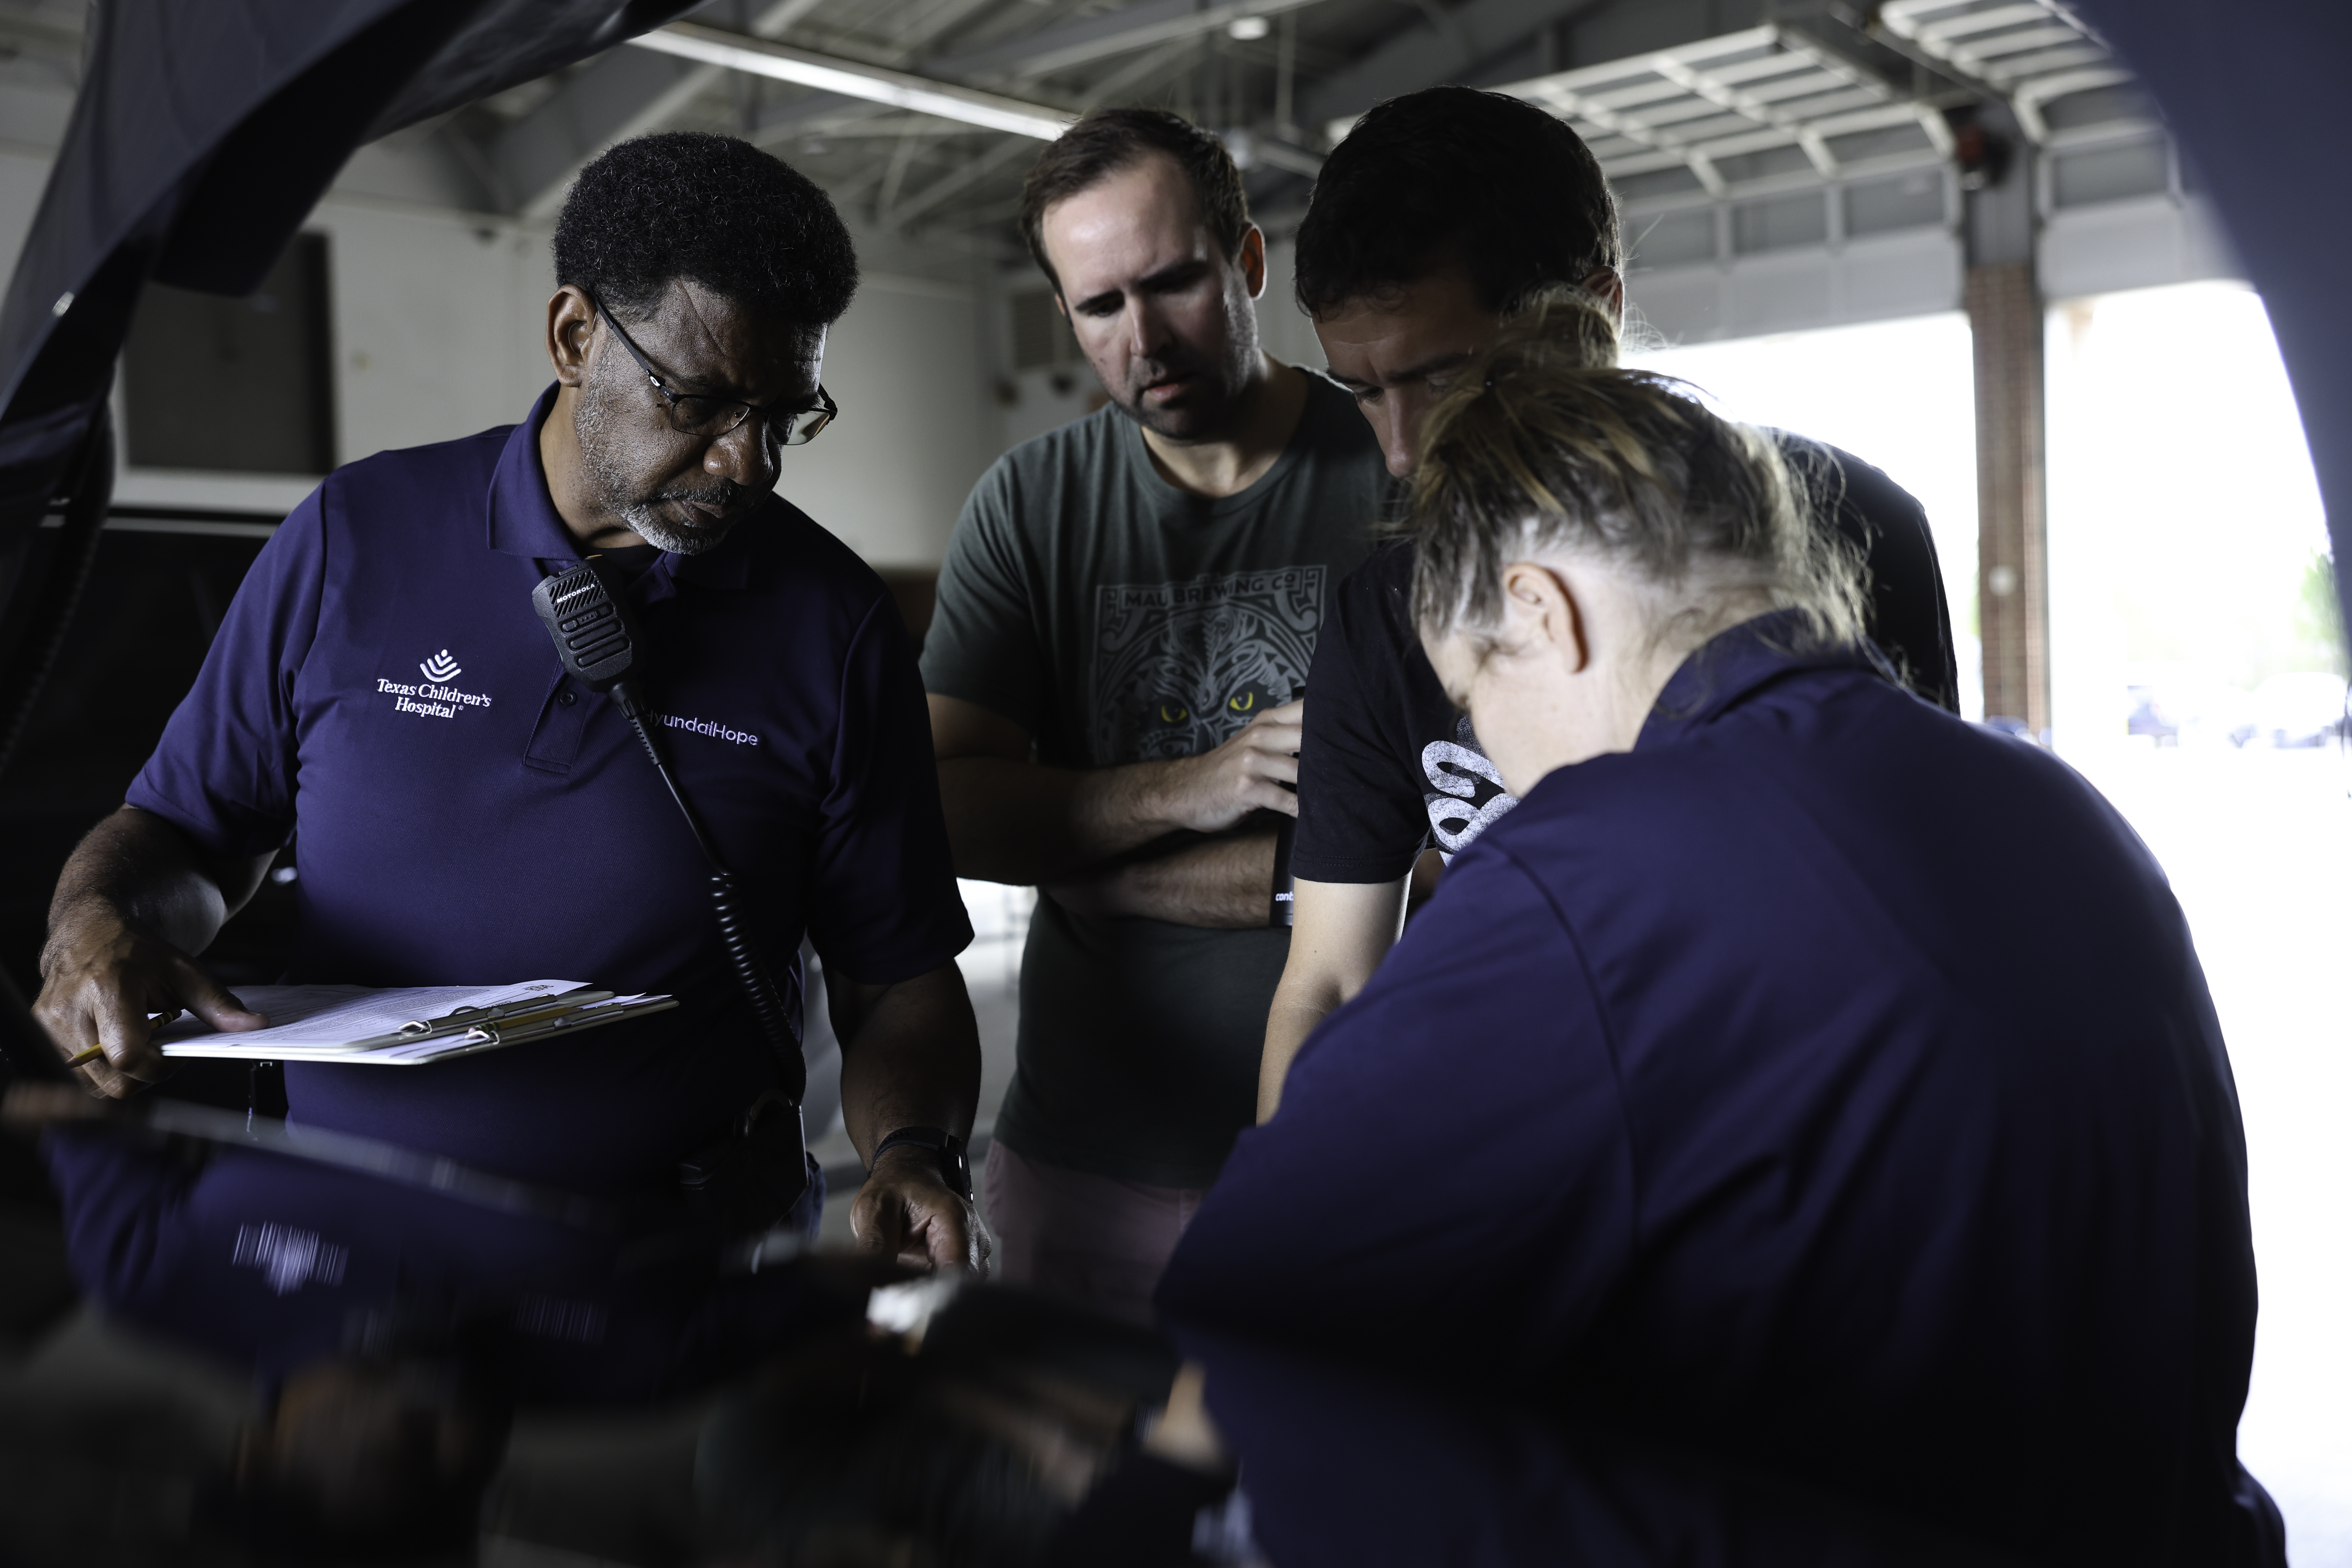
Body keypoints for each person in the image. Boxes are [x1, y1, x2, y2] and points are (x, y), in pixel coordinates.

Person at [1157, 308, 2282, 1565]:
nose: (1497, 752)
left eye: (1475, 694)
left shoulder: (1586, 877)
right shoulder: (2061, 807)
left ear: (1542, 612)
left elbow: (1255, 1320)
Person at [31, 133, 985, 1269]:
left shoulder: (833, 622)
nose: (751, 465)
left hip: (683, 1270)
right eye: (705, 401)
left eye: (786, 415)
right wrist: (101, 925)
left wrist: (911, 1152)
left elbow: (902, 983)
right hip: (347, 1255)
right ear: (576, 335)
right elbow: (185, 835)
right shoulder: (354, 537)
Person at [1257, 86, 1959, 1116]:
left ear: (1596, 309)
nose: (1403, 450)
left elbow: (1917, 907)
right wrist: (1282, 1232)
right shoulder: (1382, 608)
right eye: (1362, 391)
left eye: (1445, 376)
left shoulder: (1849, 524)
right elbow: (1326, 986)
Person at [921, 109, 1388, 1321]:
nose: (1144, 338)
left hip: (1372, 1150)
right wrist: (1195, 787)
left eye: (1174, 282)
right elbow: (948, 809)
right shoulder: (1030, 503)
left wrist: (1105, 873)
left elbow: (1463, 853)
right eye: (1099, 306)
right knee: (1080, 1508)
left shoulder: (1393, 469)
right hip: (1084, 1166)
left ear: (1247, 264)